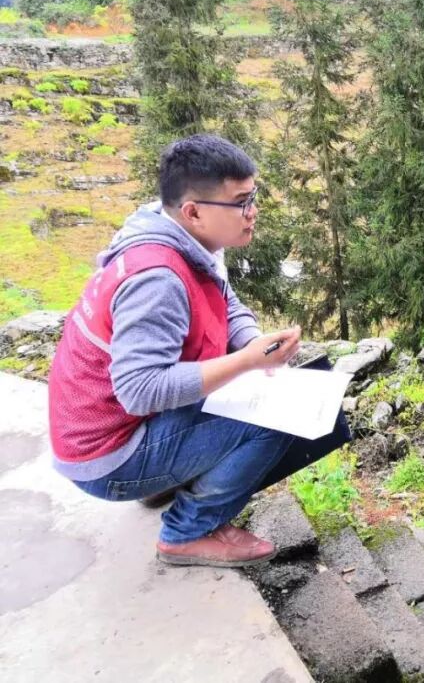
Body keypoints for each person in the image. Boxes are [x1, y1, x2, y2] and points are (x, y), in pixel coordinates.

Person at [48, 134, 351, 568]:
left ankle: (164, 479)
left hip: (116, 429)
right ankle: (185, 532)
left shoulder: (180, 238)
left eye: (253, 197)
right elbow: (140, 391)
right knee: (284, 418)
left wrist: (250, 341)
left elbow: (225, 301)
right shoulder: (158, 280)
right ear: (193, 211)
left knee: (266, 392)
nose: (253, 212)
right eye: (242, 202)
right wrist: (246, 362)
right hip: (107, 457)